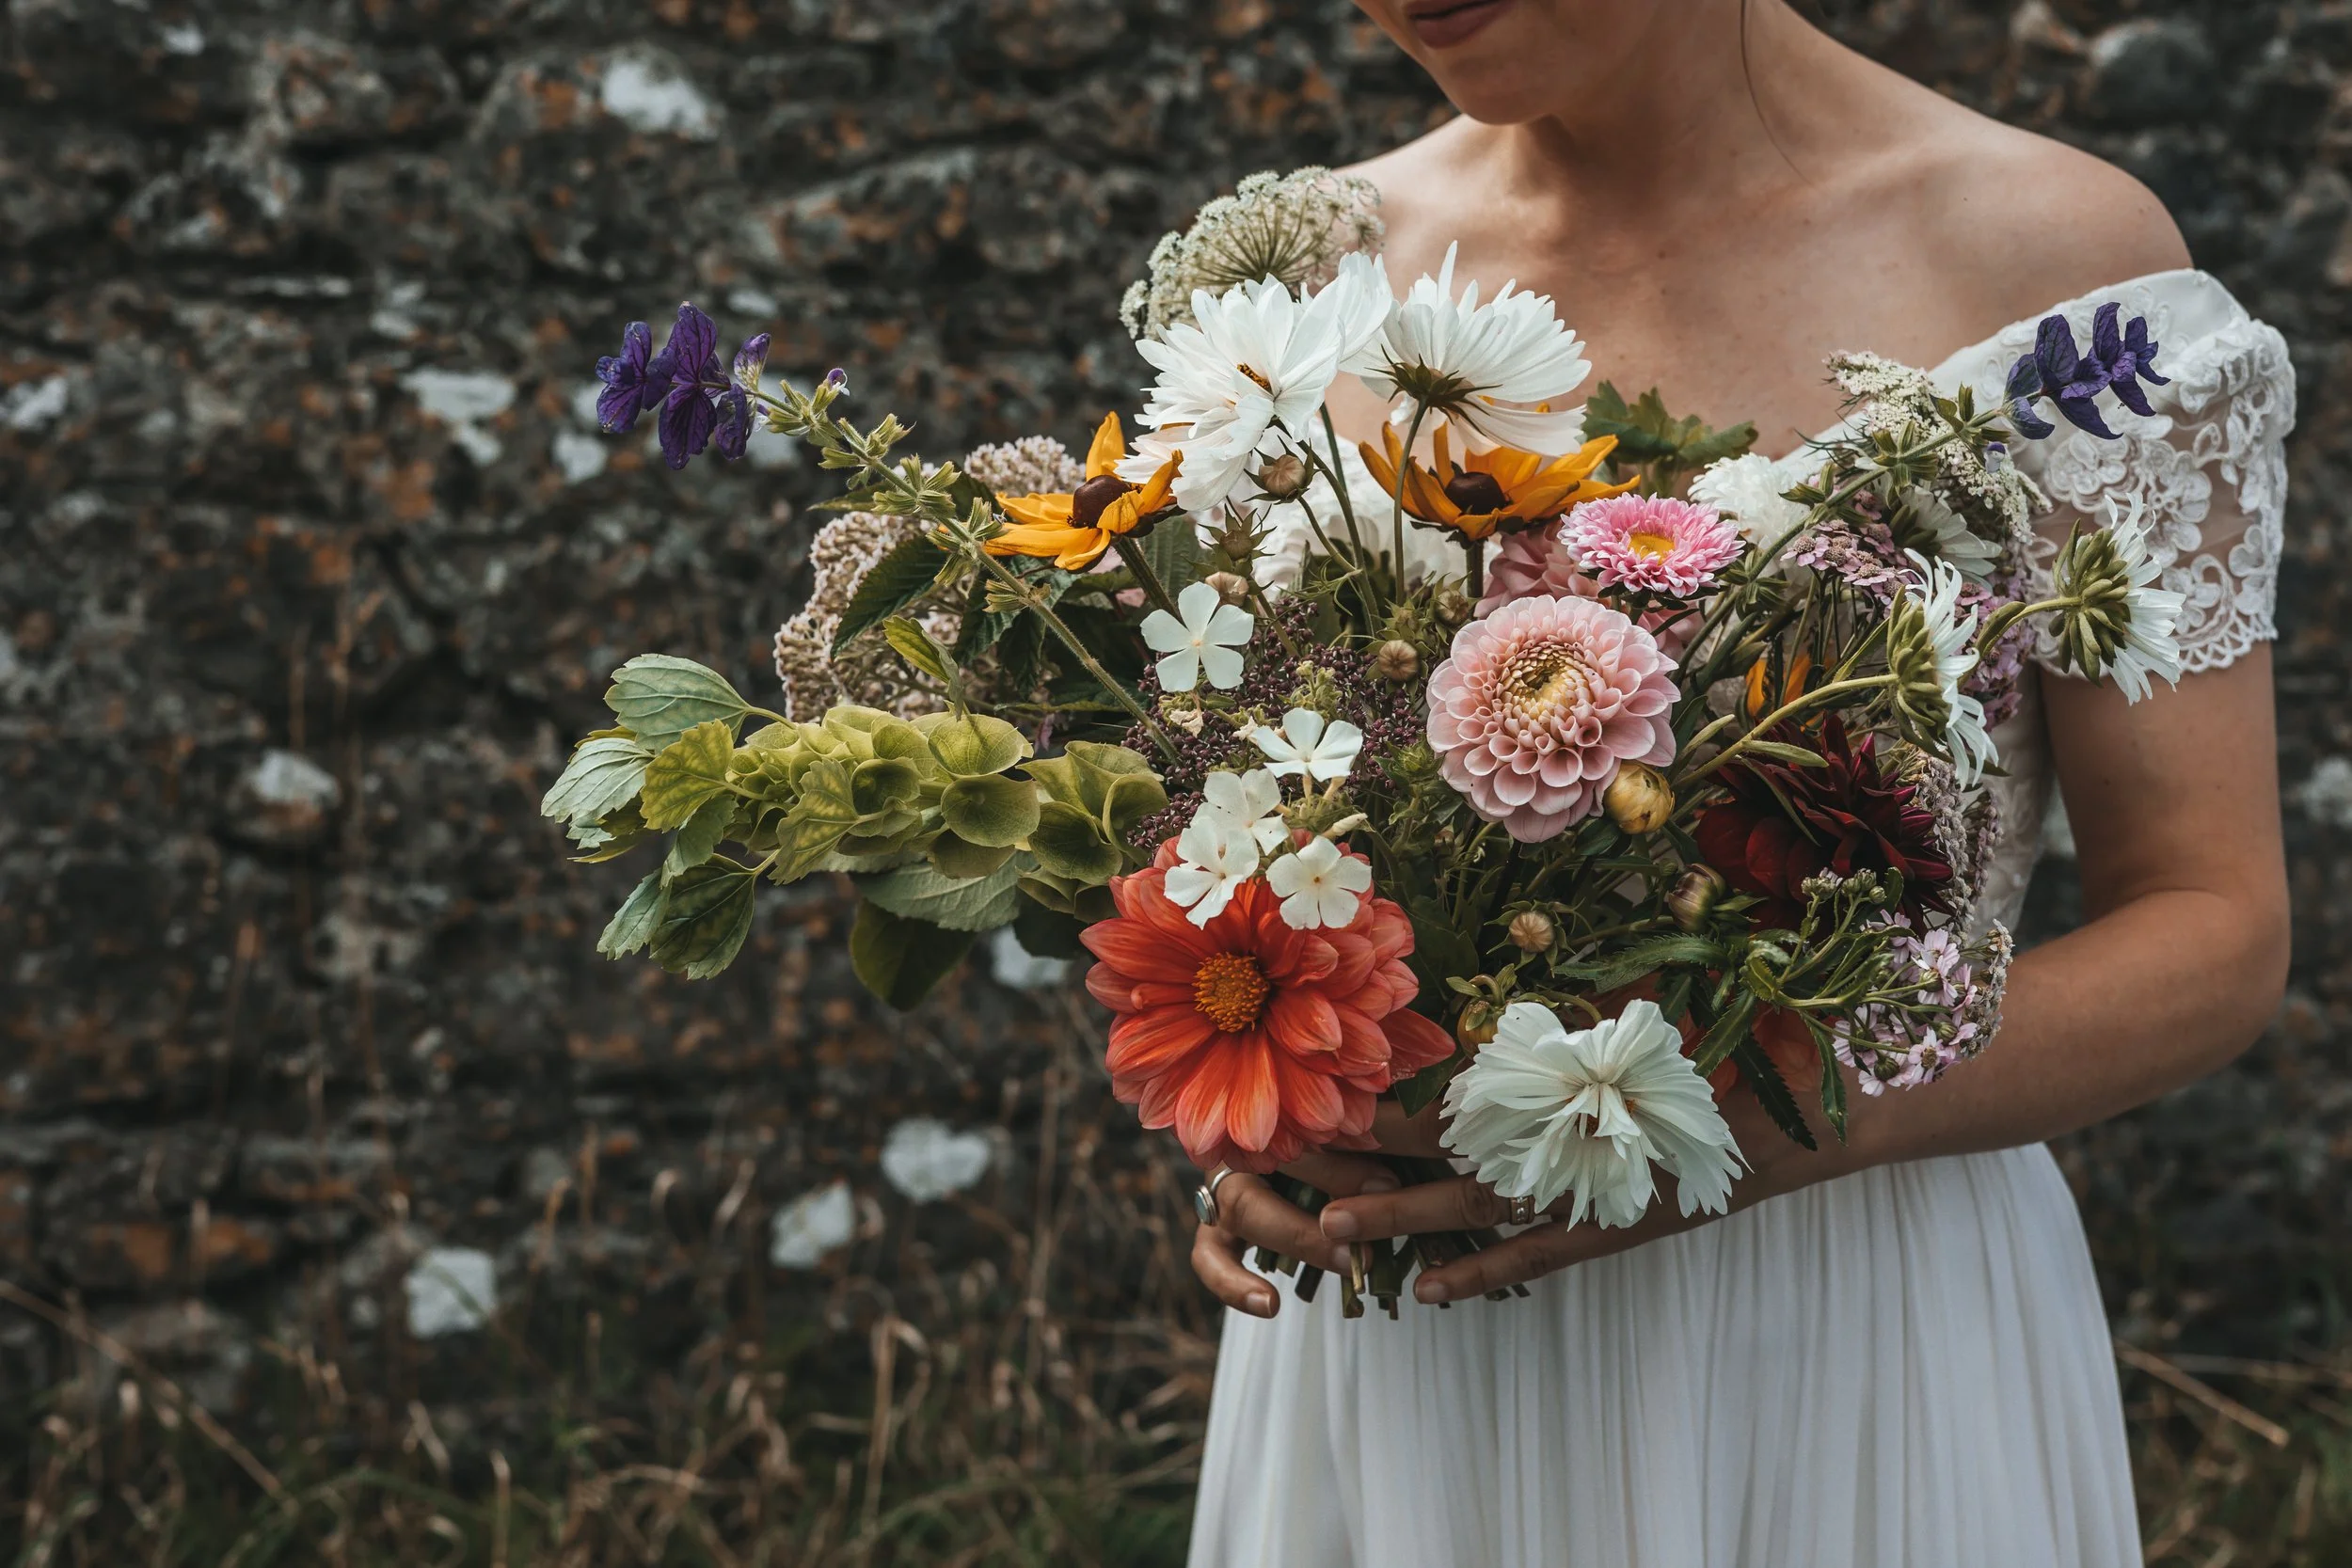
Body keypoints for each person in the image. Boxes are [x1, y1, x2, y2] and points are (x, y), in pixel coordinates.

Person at [1182, 3, 2295, 1564]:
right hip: (1411, 1347)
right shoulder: (1315, 281)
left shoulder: (2049, 266)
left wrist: (1784, 1113)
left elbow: (2214, 926)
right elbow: (1261, 843)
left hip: (1848, 1324)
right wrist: (1270, 1099)